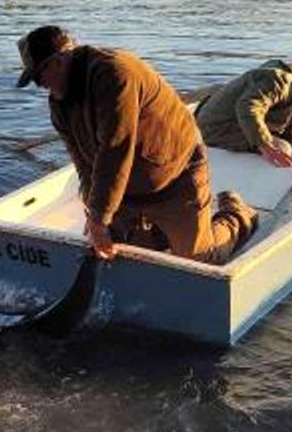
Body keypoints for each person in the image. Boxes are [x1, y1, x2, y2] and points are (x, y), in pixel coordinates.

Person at [15, 25, 257, 264]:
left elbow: (116, 148)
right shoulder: (59, 103)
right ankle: (158, 232)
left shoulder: (115, 73)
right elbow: (82, 163)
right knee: (116, 254)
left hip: (176, 173)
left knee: (199, 259)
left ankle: (237, 213)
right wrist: (93, 211)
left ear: (58, 61)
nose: (40, 85)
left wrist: (100, 218)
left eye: (38, 77)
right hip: (129, 189)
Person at [192, 59, 292, 167]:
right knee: (284, 149)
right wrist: (265, 145)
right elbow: (248, 107)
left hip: (238, 122)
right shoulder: (277, 83)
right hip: (216, 128)